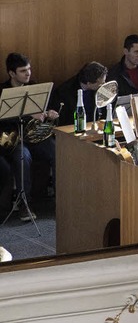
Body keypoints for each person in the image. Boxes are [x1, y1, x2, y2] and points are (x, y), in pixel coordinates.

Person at [0, 53, 59, 219]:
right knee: (22, 157)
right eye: (23, 71)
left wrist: (48, 114)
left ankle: (61, 200)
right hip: (13, 137)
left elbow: (40, 114)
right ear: (12, 73)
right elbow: (2, 117)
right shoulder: (2, 91)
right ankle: (25, 204)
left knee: (57, 153)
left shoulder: (34, 87)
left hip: (34, 136)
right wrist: (29, 115)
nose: (28, 73)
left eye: (29, 69)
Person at [52, 61, 108, 127]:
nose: (104, 85)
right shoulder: (64, 92)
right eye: (101, 83)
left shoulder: (97, 87)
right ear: (89, 83)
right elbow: (65, 121)